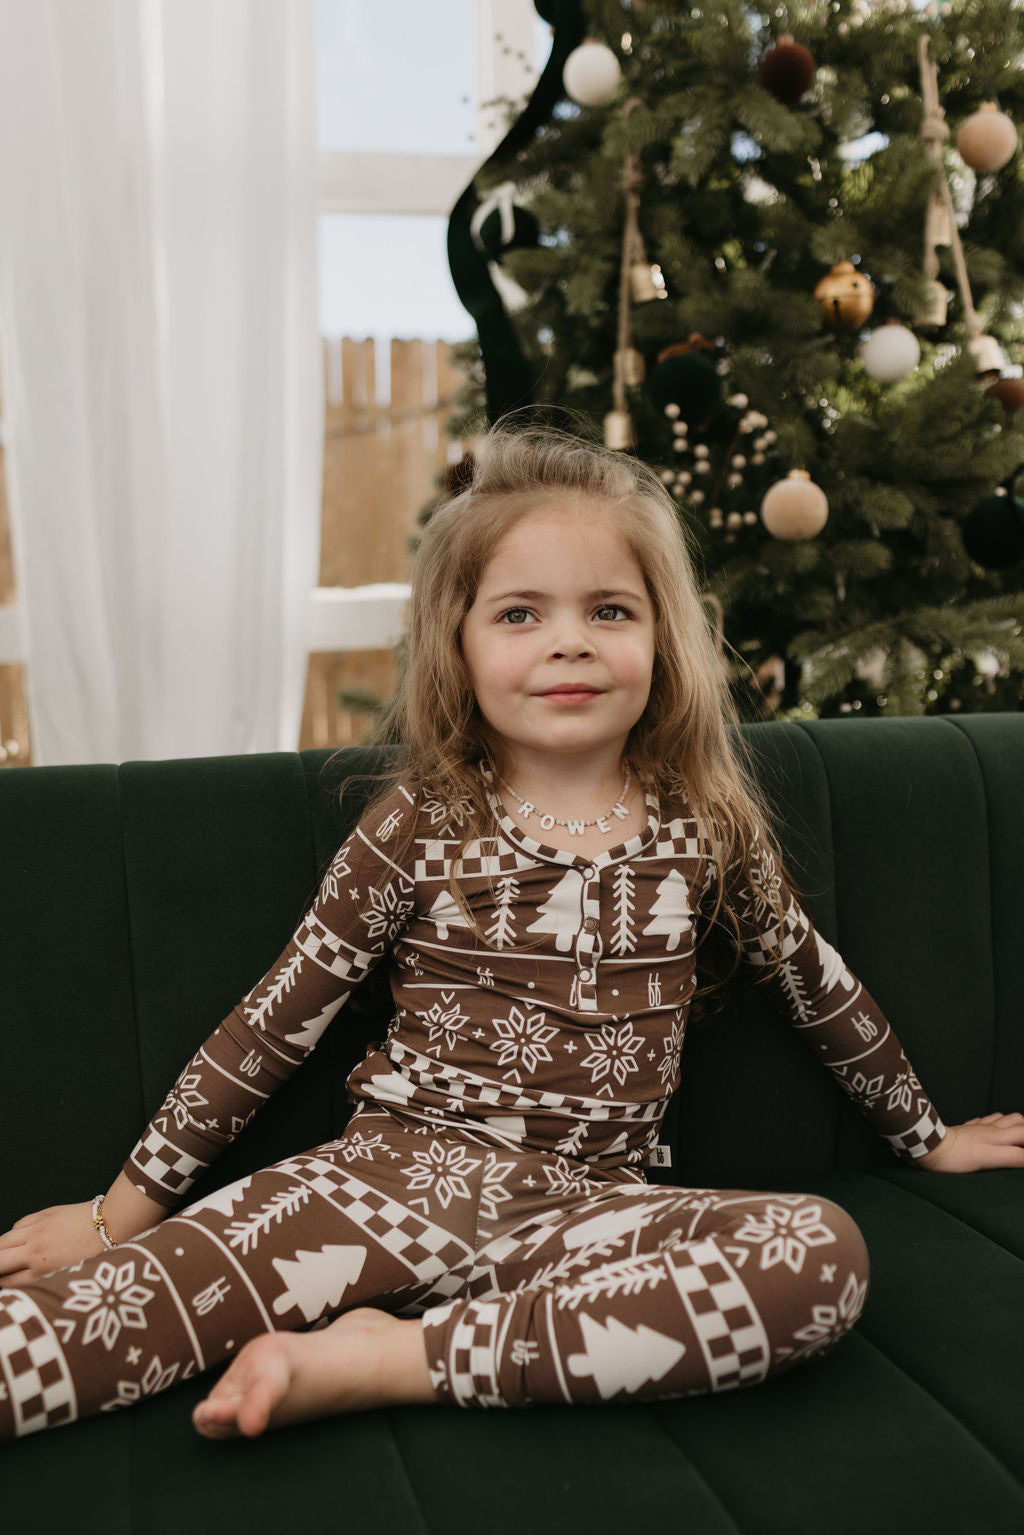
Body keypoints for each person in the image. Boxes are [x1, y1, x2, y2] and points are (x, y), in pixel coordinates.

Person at [1, 421, 1022, 1445]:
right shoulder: (420, 819)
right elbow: (271, 1024)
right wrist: (114, 1216)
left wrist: (925, 1139)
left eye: (609, 609)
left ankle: (394, 1360)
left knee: (819, 1257)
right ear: (459, 641)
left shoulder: (704, 825)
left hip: (584, 1216)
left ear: (663, 637)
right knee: (45, 1342)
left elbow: (814, 982)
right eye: (521, 612)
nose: (569, 639)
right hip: (377, 1187)